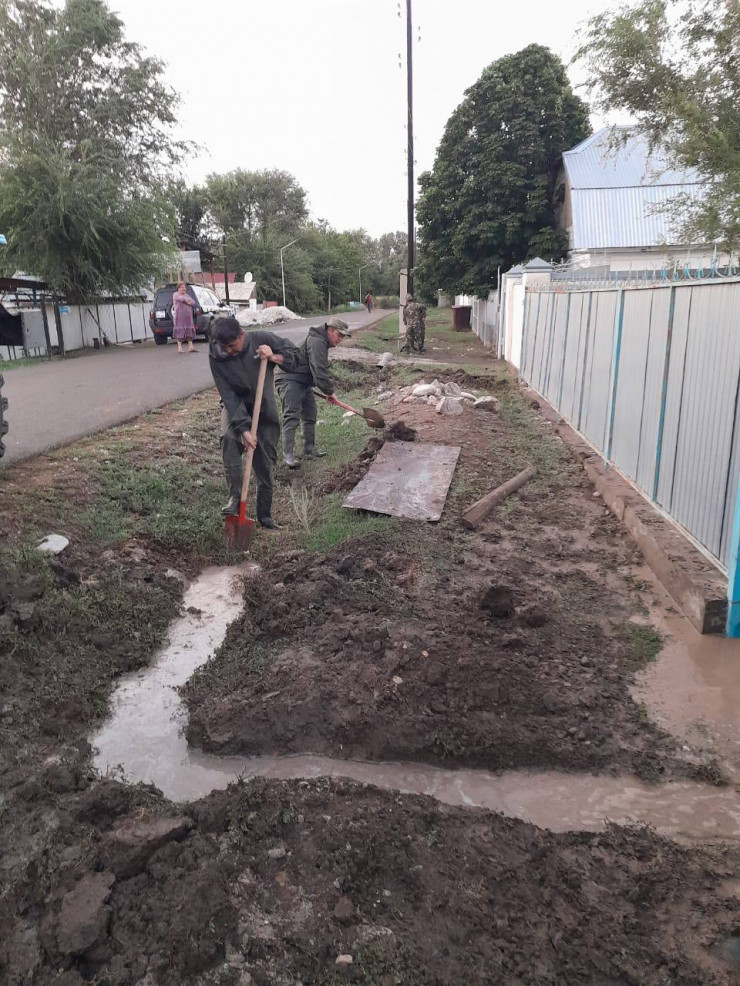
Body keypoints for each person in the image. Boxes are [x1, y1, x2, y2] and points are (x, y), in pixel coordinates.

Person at [209, 316, 299, 529]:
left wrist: (274, 356)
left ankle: (264, 516)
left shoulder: (261, 338)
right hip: (235, 407)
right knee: (229, 438)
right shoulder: (216, 355)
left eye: (232, 345)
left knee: (265, 460)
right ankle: (235, 498)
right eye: (224, 347)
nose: (228, 351)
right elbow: (227, 394)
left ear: (242, 335)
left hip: (264, 408)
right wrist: (244, 429)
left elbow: (296, 357)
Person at [274, 316, 351, 469]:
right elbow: (319, 371)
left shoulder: (321, 341)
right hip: (289, 379)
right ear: (330, 330)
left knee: (310, 414)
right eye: (339, 335)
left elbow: (318, 370)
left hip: (303, 380)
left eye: (343, 336)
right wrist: (329, 391)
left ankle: (309, 449)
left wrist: (326, 389)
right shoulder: (317, 341)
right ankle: (288, 455)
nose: (340, 339)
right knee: (292, 415)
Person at [172, 282, 197, 354]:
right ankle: (180, 348)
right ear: (178, 288)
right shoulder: (175, 294)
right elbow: (181, 299)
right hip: (179, 317)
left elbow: (193, 302)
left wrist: (188, 300)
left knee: (189, 331)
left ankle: (191, 347)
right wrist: (187, 300)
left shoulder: (186, 295)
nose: (184, 289)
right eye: (182, 287)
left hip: (188, 317)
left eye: (184, 287)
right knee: (180, 331)